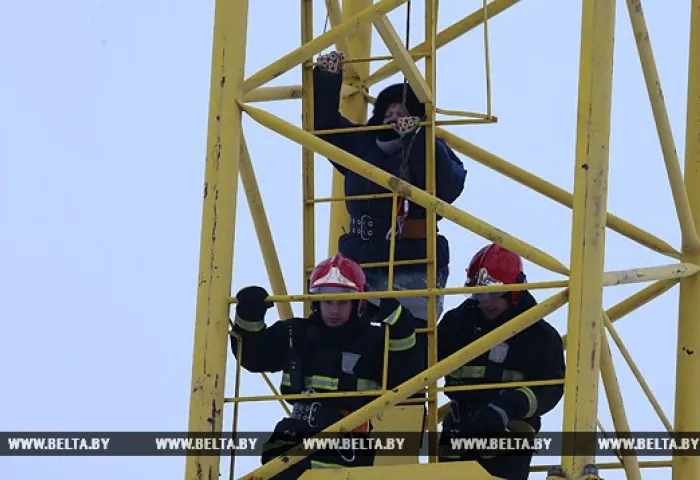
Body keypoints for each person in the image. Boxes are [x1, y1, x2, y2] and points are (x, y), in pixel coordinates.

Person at [229, 253, 424, 478]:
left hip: (348, 446)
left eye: (342, 302)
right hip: (295, 434)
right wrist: (248, 317)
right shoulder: (296, 334)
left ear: (359, 301)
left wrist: (401, 326)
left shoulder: (375, 340)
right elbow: (254, 356)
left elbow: (406, 378)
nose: (333, 310)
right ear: (316, 301)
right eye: (327, 301)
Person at [312, 50, 467, 328]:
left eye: (403, 112)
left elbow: (449, 186)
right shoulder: (362, 144)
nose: (394, 116)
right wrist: (327, 78)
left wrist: (416, 139)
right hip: (361, 259)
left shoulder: (435, 148)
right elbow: (325, 129)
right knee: (355, 339)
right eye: (389, 111)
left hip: (414, 262)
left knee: (408, 338)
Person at [436, 243, 566, 480]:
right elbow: (422, 366)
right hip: (456, 433)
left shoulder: (538, 336)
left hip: (507, 440)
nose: (487, 302)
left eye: (494, 294)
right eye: (480, 294)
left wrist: (507, 407)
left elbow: (550, 389)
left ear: (514, 291)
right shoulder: (456, 324)